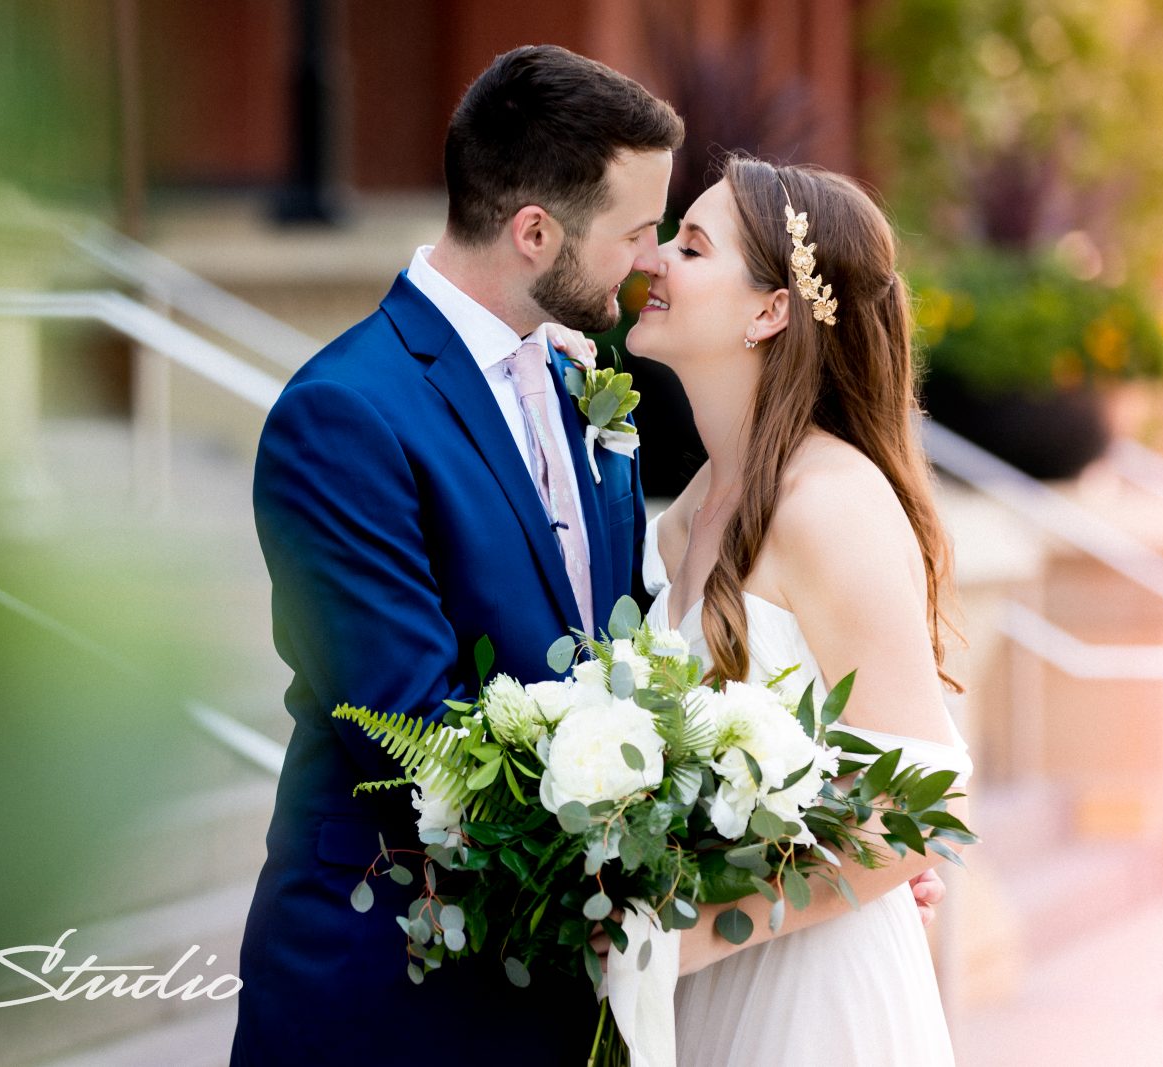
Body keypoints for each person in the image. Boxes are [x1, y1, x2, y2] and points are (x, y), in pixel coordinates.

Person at [230, 45, 681, 1066]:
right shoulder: (344, 414)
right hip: (393, 985)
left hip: (561, 981)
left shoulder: (583, 386)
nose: (649, 261)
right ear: (534, 232)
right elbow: (413, 731)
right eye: (636, 232)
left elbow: (624, 642)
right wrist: (675, 834)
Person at [620, 155, 974, 1065]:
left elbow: (927, 808)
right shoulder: (687, 514)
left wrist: (692, 935)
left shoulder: (828, 503)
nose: (654, 258)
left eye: (692, 246)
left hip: (812, 1002)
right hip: (702, 995)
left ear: (770, 309)